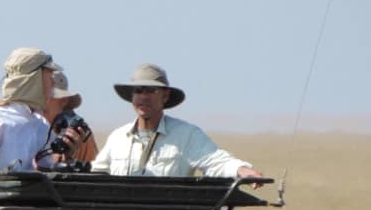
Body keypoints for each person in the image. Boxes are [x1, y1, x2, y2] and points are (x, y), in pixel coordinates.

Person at [91, 64, 264, 179]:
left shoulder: (186, 135)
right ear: (132, 96)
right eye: (138, 90)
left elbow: (215, 161)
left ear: (165, 96)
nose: (143, 97)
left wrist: (241, 170)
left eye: (151, 90)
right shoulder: (118, 138)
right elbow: (97, 175)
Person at [0, 48, 68, 182]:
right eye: (49, 77)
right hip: (0, 201)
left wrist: (62, 159)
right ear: (33, 79)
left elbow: (48, 171)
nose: (53, 83)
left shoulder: (43, 125)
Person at [44, 70, 98, 165]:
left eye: (47, 96)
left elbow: (94, 171)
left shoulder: (79, 134)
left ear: (64, 100)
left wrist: (67, 160)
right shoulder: (27, 127)